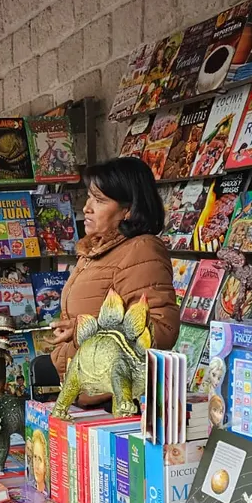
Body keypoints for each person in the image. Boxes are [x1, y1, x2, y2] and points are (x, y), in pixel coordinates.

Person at [49, 157, 180, 382]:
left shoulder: (141, 250)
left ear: (127, 210)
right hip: (84, 385)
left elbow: (161, 330)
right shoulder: (97, 249)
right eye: (89, 196)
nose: (86, 208)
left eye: (99, 200)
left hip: (115, 394)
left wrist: (87, 330)